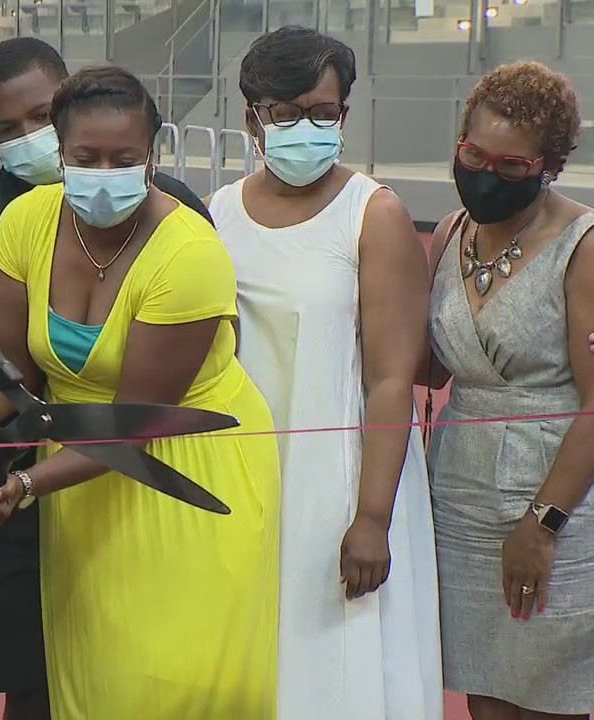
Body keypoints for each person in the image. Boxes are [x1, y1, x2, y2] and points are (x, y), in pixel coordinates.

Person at [0, 37, 215, 720]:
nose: (29, 140)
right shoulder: (3, 217)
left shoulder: (181, 224)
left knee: (156, 676)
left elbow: (143, 416)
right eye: (7, 130)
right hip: (29, 483)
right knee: (42, 682)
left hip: (143, 471)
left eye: (40, 117)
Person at [0, 65, 281, 719]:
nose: (104, 172)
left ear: (153, 156)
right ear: (60, 151)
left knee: (179, 684)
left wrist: (22, 487)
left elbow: (133, 423)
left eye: (124, 159)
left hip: (184, 471)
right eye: (86, 158)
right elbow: (15, 374)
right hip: (80, 491)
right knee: (96, 684)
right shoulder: (22, 224)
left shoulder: (190, 253)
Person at [207, 27, 443, 720]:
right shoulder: (218, 213)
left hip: (341, 484)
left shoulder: (374, 215)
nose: (305, 127)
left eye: (323, 112)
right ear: (253, 116)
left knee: (339, 666)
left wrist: (371, 516)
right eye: (286, 112)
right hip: (247, 478)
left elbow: (392, 380)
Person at [425, 61, 594, 720]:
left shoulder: (582, 245)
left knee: (554, 697)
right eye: (474, 153)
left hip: (558, 500)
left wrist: (543, 524)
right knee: (485, 699)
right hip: (458, 499)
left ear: (548, 166)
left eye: (511, 166)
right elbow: (424, 367)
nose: (485, 173)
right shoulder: (447, 234)